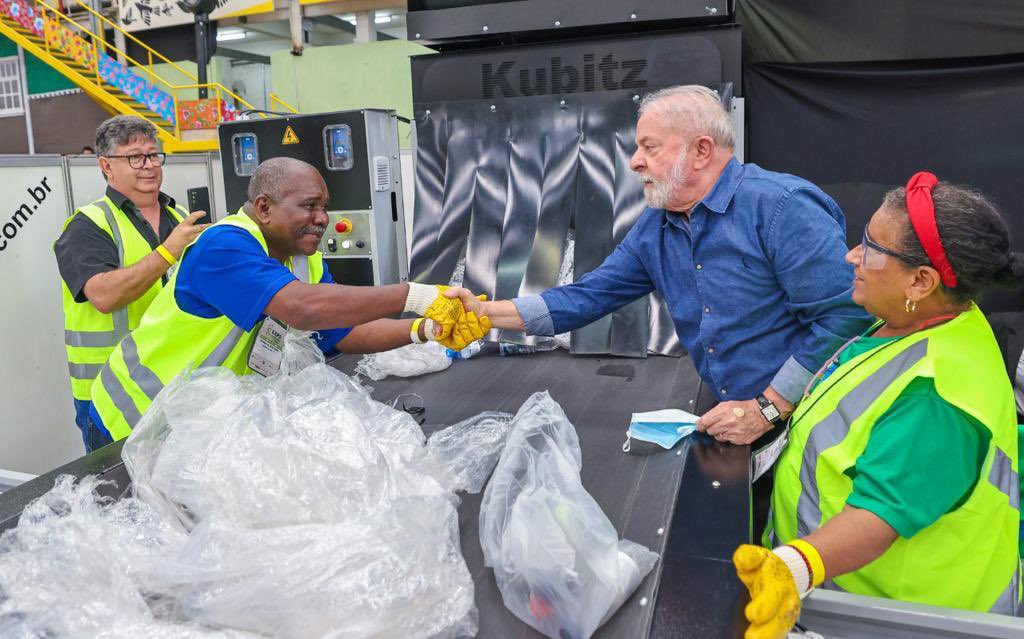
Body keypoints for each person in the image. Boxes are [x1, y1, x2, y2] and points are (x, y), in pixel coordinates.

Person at [449, 84, 870, 447]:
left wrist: (770, 405)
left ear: (701, 151)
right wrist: (486, 314)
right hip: (734, 418)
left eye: (649, 147)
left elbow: (846, 316)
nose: (634, 161)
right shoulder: (658, 224)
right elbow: (589, 295)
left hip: (810, 418)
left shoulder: (781, 207)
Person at [733, 173, 1023, 639]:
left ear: (920, 281)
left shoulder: (937, 398)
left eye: (870, 248)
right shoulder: (919, 321)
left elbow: (879, 516)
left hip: (895, 618)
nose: (851, 256)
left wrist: (793, 567)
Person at [88, 157, 488, 446]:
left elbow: (342, 332)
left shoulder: (304, 260)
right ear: (263, 207)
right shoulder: (223, 245)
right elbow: (301, 308)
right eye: (309, 205)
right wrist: (417, 295)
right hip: (134, 419)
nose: (322, 218)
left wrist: (426, 330)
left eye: (324, 207)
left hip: (199, 422)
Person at [54, 115, 208, 452]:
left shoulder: (180, 217)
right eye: (135, 157)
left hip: (177, 385)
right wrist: (168, 252)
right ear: (106, 166)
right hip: (110, 398)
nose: (149, 166)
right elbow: (103, 295)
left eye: (154, 155)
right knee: (119, 498)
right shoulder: (88, 225)